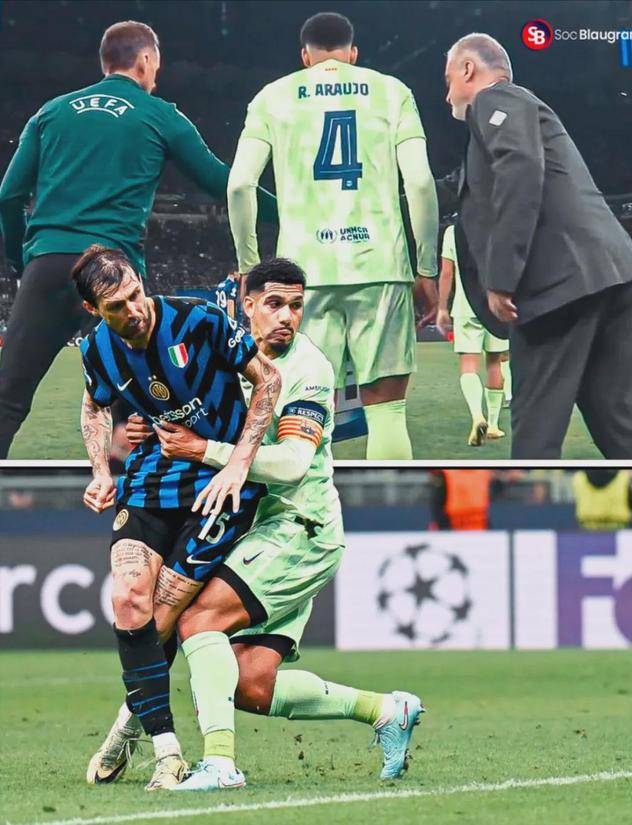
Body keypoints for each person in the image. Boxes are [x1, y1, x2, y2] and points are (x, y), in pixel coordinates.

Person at [94, 258, 424, 791]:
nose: (287, 317)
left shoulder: (309, 370)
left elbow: (292, 465)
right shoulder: (225, 352)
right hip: (249, 527)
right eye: (274, 304)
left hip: (298, 527)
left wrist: (204, 450)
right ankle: (387, 711)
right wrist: (148, 428)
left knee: (195, 620)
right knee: (251, 685)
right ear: (246, 306)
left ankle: (218, 764)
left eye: (296, 305)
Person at [0, 19, 276, 459]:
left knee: (8, 397)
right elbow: (222, 182)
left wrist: (21, 261)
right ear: (146, 60)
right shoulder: (159, 114)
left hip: (48, 264)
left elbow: (8, 196)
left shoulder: (51, 112)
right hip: (115, 273)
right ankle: (141, 495)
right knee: (143, 403)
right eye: (156, 66)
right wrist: (287, 212)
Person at [75, 245, 281, 790]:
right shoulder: (97, 349)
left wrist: (238, 464)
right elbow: (94, 405)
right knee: (128, 600)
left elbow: (268, 379)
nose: (134, 309)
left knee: (161, 618)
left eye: (136, 294)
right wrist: (100, 471)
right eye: (117, 305)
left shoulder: (199, 319)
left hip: (216, 490)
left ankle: (124, 729)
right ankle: (168, 751)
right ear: (94, 310)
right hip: (149, 482)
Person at [227, 12, 439, 459]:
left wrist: (249, 266)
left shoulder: (273, 97)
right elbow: (420, 184)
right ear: (353, 53)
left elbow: (240, 185)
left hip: (301, 277)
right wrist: (426, 267)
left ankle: (304, 504)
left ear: (305, 56)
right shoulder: (392, 91)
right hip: (380, 265)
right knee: (387, 410)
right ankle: (388, 502)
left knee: (303, 410)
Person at [442, 33, 632, 459]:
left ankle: (526, 506)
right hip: (609, 275)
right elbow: (463, 186)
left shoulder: (496, 98)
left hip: (557, 286)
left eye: (448, 82)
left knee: (535, 438)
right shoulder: (512, 116)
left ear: (468, 69)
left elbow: (519, 166)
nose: (447, 96)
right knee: (624, 434)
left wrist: (501, 277)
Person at [437, 223, 510, 446]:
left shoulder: (453, 231)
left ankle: (478, 416)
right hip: (495, 307)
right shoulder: (500, 224)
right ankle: (494, 425)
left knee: (469, 364)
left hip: (465, 307)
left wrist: (442, 307)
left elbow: (447, 273)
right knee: (495, 364)